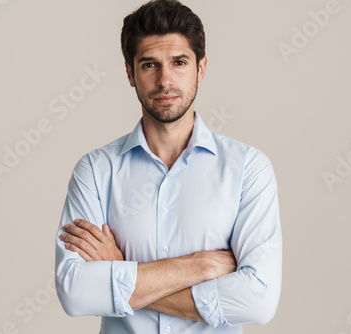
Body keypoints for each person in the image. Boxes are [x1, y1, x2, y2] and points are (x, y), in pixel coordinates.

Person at [55, 0, 282, 333]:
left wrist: (119, 269)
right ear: (130, 73)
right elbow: (75, 293)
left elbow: (258, 301)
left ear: (200, 68)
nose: (165, 80)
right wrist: (197, 266)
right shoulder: (95, 170)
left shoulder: (248, 169)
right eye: (149, 64)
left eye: (179, 62)